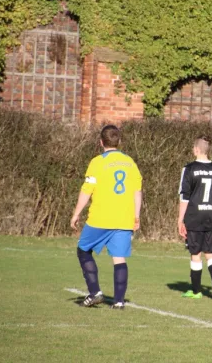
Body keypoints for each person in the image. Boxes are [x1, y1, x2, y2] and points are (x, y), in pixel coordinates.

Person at [70, 125, 142, 310]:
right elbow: (137, 191)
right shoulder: (130, 162)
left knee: (83, 250)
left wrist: (76, 213)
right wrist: (136, 215)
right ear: (120, 142)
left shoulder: (97, 162)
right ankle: (118, 301)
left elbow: (87, 190)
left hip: (100, 218)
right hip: (124, 218)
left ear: (101, 142)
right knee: (119, 258)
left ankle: (95, 292)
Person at [178, 135, 212, 301]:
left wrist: (180, 219)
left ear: (196, 149)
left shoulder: (189, 169)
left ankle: (196, 290)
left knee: (195, 254)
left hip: (195, 216)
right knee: (210, 253)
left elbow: (184, 196)